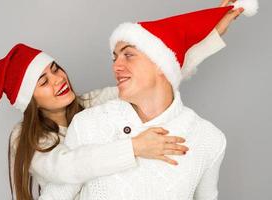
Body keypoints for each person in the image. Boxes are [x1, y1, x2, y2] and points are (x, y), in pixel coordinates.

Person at [35, 1, 258, 200]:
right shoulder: (89, 124)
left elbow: (177, 66)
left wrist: (211, 33)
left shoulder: (208, 139)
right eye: (114, 57)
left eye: (128, 54)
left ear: (161, 64)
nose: (116, 66)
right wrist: (133, 147)